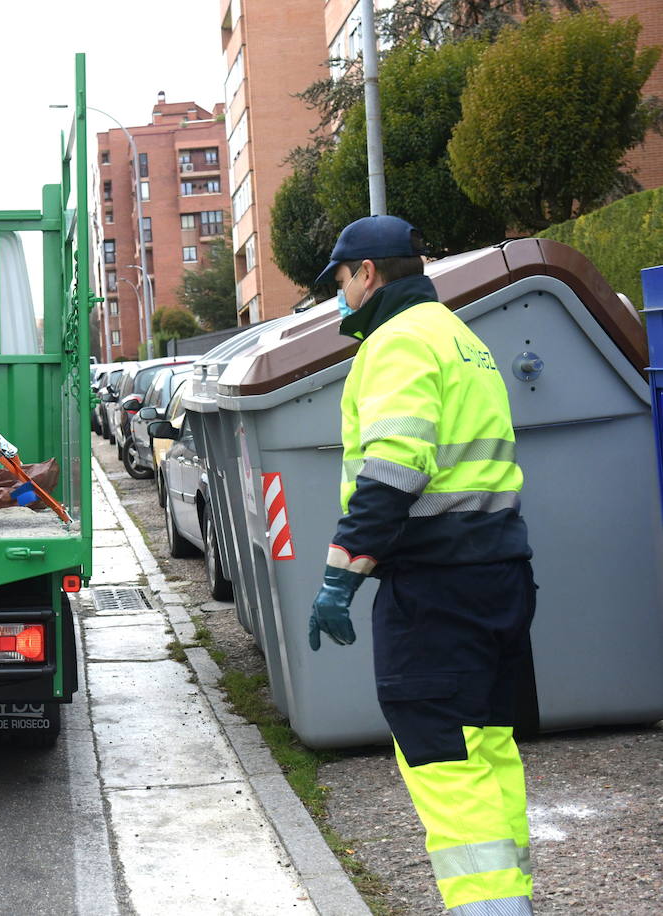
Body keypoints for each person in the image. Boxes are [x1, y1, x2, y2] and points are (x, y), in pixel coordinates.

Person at [309, 215, 537, 915]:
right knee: (488, 754)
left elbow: (392, 470)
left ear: (368, 274)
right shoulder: (461, 339)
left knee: (446, 766)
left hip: (438, 591)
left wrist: (341, 576)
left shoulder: (397, 344)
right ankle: (510, 903)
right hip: (498, 574)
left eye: (341, 281)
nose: (340, 297)